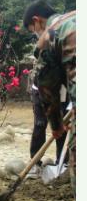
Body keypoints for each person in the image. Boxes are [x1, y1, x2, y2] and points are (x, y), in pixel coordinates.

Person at [24, 0, 76, 201]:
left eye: (32, 31)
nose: (36, 35)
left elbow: (46, 88)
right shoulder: (75, 16)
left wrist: (55, 126)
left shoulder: (49, 36)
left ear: (37, 21)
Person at [27, 49, 67, 178]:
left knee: (64, 126)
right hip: (40, 92)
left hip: (63, 94)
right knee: (40, 124)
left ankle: (63, 163)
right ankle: (35, 163)